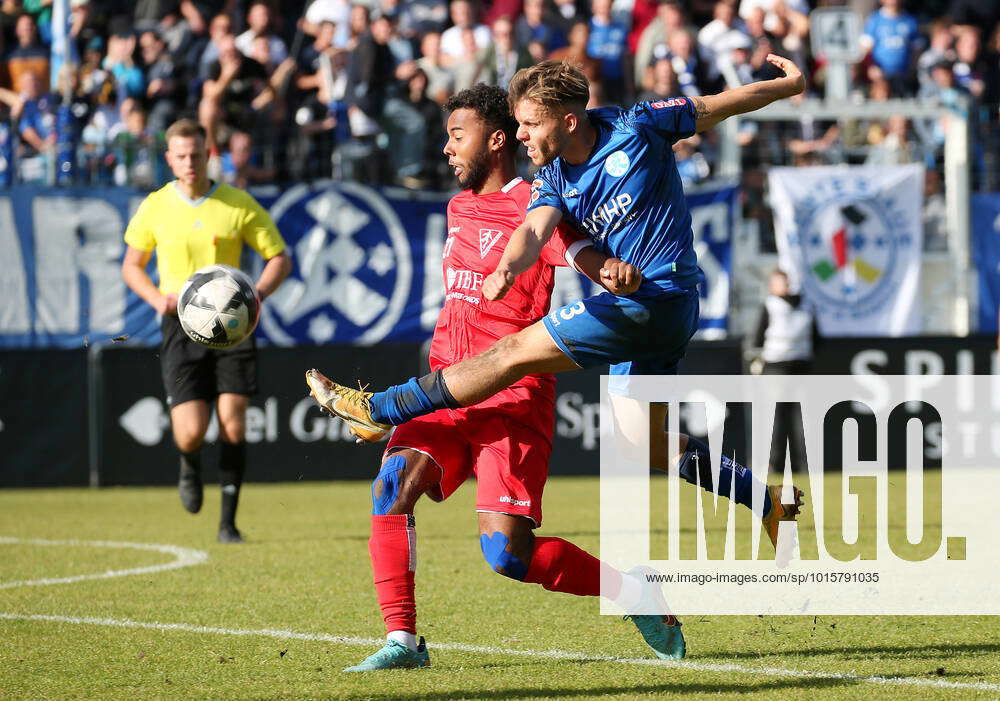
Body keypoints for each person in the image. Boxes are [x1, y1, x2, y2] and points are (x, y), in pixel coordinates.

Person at [310, 56, 806, 546]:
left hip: (655, 302)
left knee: (509, 354)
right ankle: (766, 501)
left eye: (530, 123)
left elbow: (721, 103)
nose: (520, 134)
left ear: (568, 121)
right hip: (653, 312)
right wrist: (508, 266)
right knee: (643, 443)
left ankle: (378, 407)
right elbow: (533, 228)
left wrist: (788, 87)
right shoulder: (551, 178)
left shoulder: (640, 125)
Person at [308, 84, 684, 672]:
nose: (447, 148)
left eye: (458, 136)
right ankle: (403, 641)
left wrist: (605, 270)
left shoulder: (538, 200)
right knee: (390, 489)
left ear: (497, 139)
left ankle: (632, 591)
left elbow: (577, 247)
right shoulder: (457, 207)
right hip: (446, 390)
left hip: (512, 400)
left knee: (506, 554)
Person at [121, 119, 291, 543]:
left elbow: (279, 258)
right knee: (191, 430)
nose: (190, 162)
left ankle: (228, 523)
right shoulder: (156, 206)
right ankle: (189, 464)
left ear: (208, 153)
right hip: (180, 324)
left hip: (234, 327)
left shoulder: (237, 203)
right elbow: (131, 266)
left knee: (233, 424)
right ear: (169, 159)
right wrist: (156, 298)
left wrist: (256, 296)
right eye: (180, 156)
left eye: (196, 154)